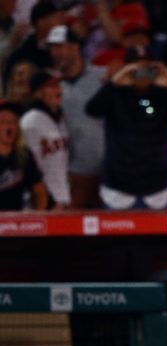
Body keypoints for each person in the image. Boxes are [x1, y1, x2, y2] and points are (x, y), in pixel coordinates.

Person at [85, 46, 167, 210]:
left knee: (158, 236)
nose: (141, 72)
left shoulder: (164, 93)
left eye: (147, 67)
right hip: (118, 188)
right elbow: (92, 110)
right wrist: (114, 83)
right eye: (135, 67)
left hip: (157, 187)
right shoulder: (115, 92)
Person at [47, 24, 106, 209]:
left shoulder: (102, 77)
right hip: (71, 177)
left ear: (75, 46)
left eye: (59, 46)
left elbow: (143, 108)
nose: (55, 53)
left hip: (105, 175)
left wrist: (148, 108)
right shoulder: (50, 86)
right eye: (51, 48)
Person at [19, 71, 71, 209]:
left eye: (58, 86)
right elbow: (26, 165)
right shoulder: (30, 121)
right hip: (43, 200)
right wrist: (45, 201)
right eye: (52, 86)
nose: (59, 90)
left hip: (62, 197)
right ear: (38, 92)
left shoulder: (59, 119)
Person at [0, 99, 48, 210]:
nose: (9, 127)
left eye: (13, 122)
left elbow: (40, 193)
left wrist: (36, 221)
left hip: (17, 222)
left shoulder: (24, 155)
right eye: (3, 122)